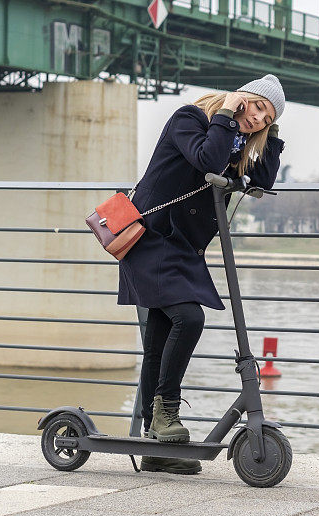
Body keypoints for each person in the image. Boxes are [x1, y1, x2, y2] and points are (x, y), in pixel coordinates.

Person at [117, 74, 286, 474]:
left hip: (183, 249)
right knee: (189, 317)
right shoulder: (189, 119)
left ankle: (155, 447)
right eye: (256, 105)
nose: (257, 117)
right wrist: (227, 112)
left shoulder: (238, 142)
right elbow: (207, 160)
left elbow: (263, 180)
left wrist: (273, 137)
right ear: (238, 97)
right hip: (150, 239)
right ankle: (166, 413)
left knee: (158, 340)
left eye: (267, 116)